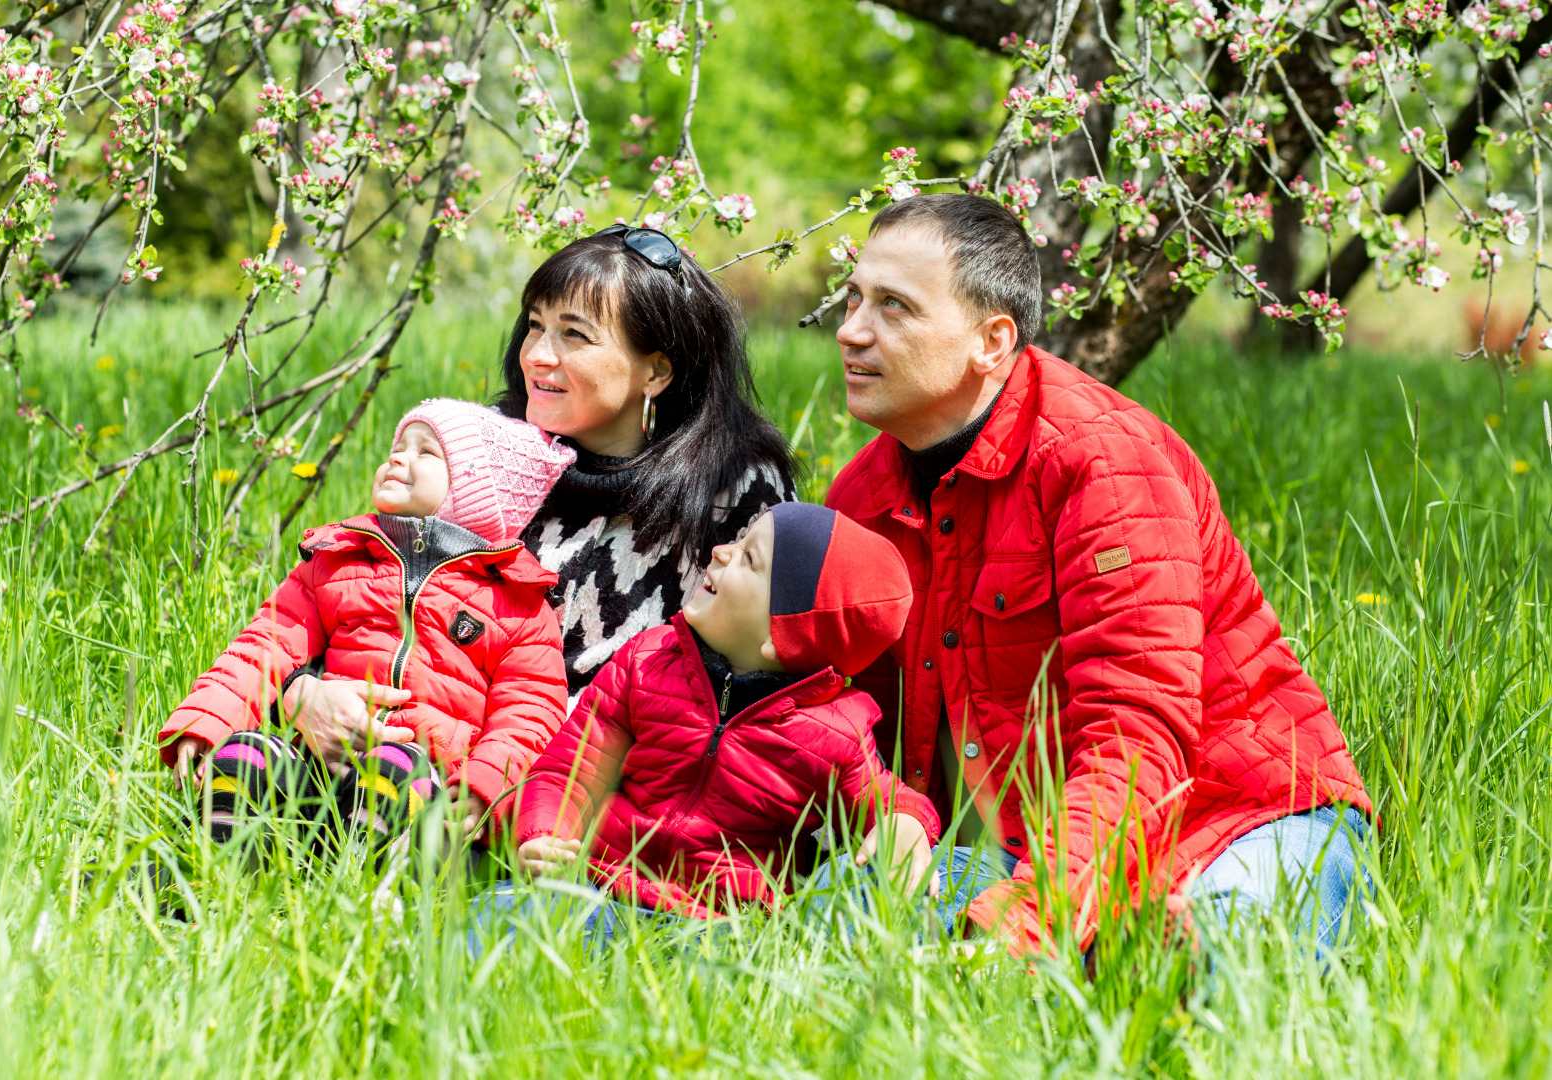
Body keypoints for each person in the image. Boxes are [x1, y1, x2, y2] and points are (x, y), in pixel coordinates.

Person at [821, 194, 1373, 958]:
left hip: (1234, 817)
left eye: (893, 307)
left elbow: (1138, 735)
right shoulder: (861, 501)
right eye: (854, 299)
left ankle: (1135, 950)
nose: (850, 329)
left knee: (1229, 952)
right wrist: (899, 819)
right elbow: (851, 725)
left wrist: (1034, 911)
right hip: (1024, 847)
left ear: (992, 341)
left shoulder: (1104, 465)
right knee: (831, 916)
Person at [282, 225, 796, 782]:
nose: (538, 356)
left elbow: (755, 688)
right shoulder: (486, 456)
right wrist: (301, 691)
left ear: (657, 370)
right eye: (535, 325)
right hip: (412, 749)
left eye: (574, 335)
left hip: (595, 800)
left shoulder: (731, 491)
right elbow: (365, 596)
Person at [473, 503, 940, 946]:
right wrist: (545, 831)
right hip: (601, 885)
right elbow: (570, 771)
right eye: (738, 539)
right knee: (502, 912)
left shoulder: (834, 729)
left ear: (784, 635)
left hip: (721, 926)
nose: (721, 551)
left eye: (748, 557)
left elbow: (880, 793)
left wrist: (905, 820)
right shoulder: (648, 659)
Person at [160, 399, 574, 849]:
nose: (397, 458)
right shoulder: (338, 561)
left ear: (477, 490)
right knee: (244, 755)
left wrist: (484, 785)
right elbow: (266, 644)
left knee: (393, 769)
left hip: (424, 775)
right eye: (398, 446)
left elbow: (529, 714)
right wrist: (207, 720)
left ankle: (363, 895)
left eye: (426, 452)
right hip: (316, 756)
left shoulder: (517, 603)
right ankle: (211, 874)